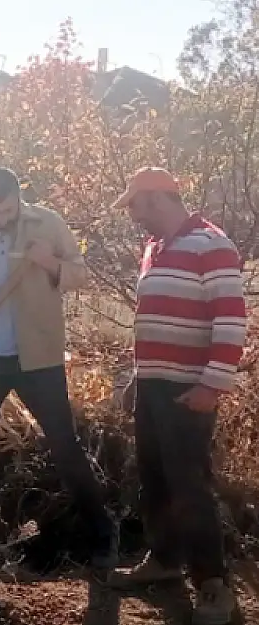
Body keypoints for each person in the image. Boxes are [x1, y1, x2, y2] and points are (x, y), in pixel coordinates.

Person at [0, 167, 117, 569]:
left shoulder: (47, 224)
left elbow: (81, 275)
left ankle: (101, 533)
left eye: (5, 210)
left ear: (19, 198)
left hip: (37, 357)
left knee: (64, 444)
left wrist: (50, 262)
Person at [107, 167, 244, 625]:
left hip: (190, 389)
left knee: (190, 485)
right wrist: (139, 377)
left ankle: (212, 583)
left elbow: (230, 323)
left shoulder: (212, 244)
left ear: (156, 199)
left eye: (135, 205)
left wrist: (212, 384)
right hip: (153, 384)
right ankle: (164, 560)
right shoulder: (155, 248)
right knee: (155, 479)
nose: (132, 215)